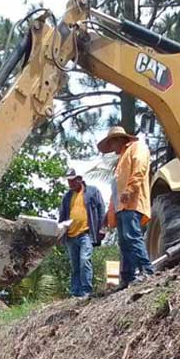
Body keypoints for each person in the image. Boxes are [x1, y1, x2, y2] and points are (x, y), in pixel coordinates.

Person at [99, 126, 154, 288]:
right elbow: (116, 190)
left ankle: (147, 270)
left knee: (132, 237)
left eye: (112, 143)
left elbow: (140, 170)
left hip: (132, 203)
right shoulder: (121, 159)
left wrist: (130, 190)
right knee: (124, 242)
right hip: (121, 207)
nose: (111, 148)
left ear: (119, 139)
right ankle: (127, 277)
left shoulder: (137, 148)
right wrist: (109, 214)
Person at [58, 168, 105, 298]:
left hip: (86, 233)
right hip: (71, 235)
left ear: (80, 179)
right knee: (75, 265)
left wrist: (102, 228)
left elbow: (101, 210)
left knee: (84, 261)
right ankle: (75, 292)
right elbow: (62, 216)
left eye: (72, 180)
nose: (70, 183)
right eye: (68, 181)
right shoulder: (67, 197)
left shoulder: (92, 192)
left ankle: (86, 291)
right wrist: (59, 233)